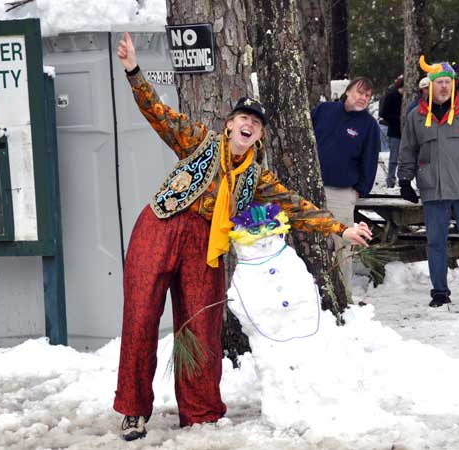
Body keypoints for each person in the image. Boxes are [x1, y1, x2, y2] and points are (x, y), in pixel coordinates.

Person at [113, 32, 372, 441]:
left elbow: (296, 206)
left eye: (256, 123)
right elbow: (157, 113)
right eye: (242, 119)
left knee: (201, 325)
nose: (248, 124)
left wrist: (342, 227)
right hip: (162, 224)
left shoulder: (256, 177)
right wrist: (132, 70)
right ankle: (132, 409)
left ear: (259, 136)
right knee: (141, 316)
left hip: (206, 244)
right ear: (229, 124)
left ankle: (200, 411)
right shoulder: (199, 141)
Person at [398, 56, 459, 308]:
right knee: (435, 242)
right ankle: (439, 291)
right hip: (434, 189)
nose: (444, 87)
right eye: (439, 82)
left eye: (448, 82)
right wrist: (405, 180)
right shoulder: (416, 115)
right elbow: (408, 149)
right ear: (429, 86)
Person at [312, 77, 380, 292]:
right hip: (310, 188)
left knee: (341, 244)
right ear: (348, 91)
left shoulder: (368, 125)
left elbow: (370, 160)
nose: (363, 98)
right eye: (360, 93)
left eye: (368, 96)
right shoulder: (324, 110)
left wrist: (360, 190)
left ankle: (343, 293)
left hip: (341, 192)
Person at [380, 75, 404, 187]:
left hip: (405, 132)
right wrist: (397, 119)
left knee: (404, 158)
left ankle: (403, 179)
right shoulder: (392, 96)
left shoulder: (408, 97)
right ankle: (391, 179)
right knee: (394, 157)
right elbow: (384, 113)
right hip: (395, 131)